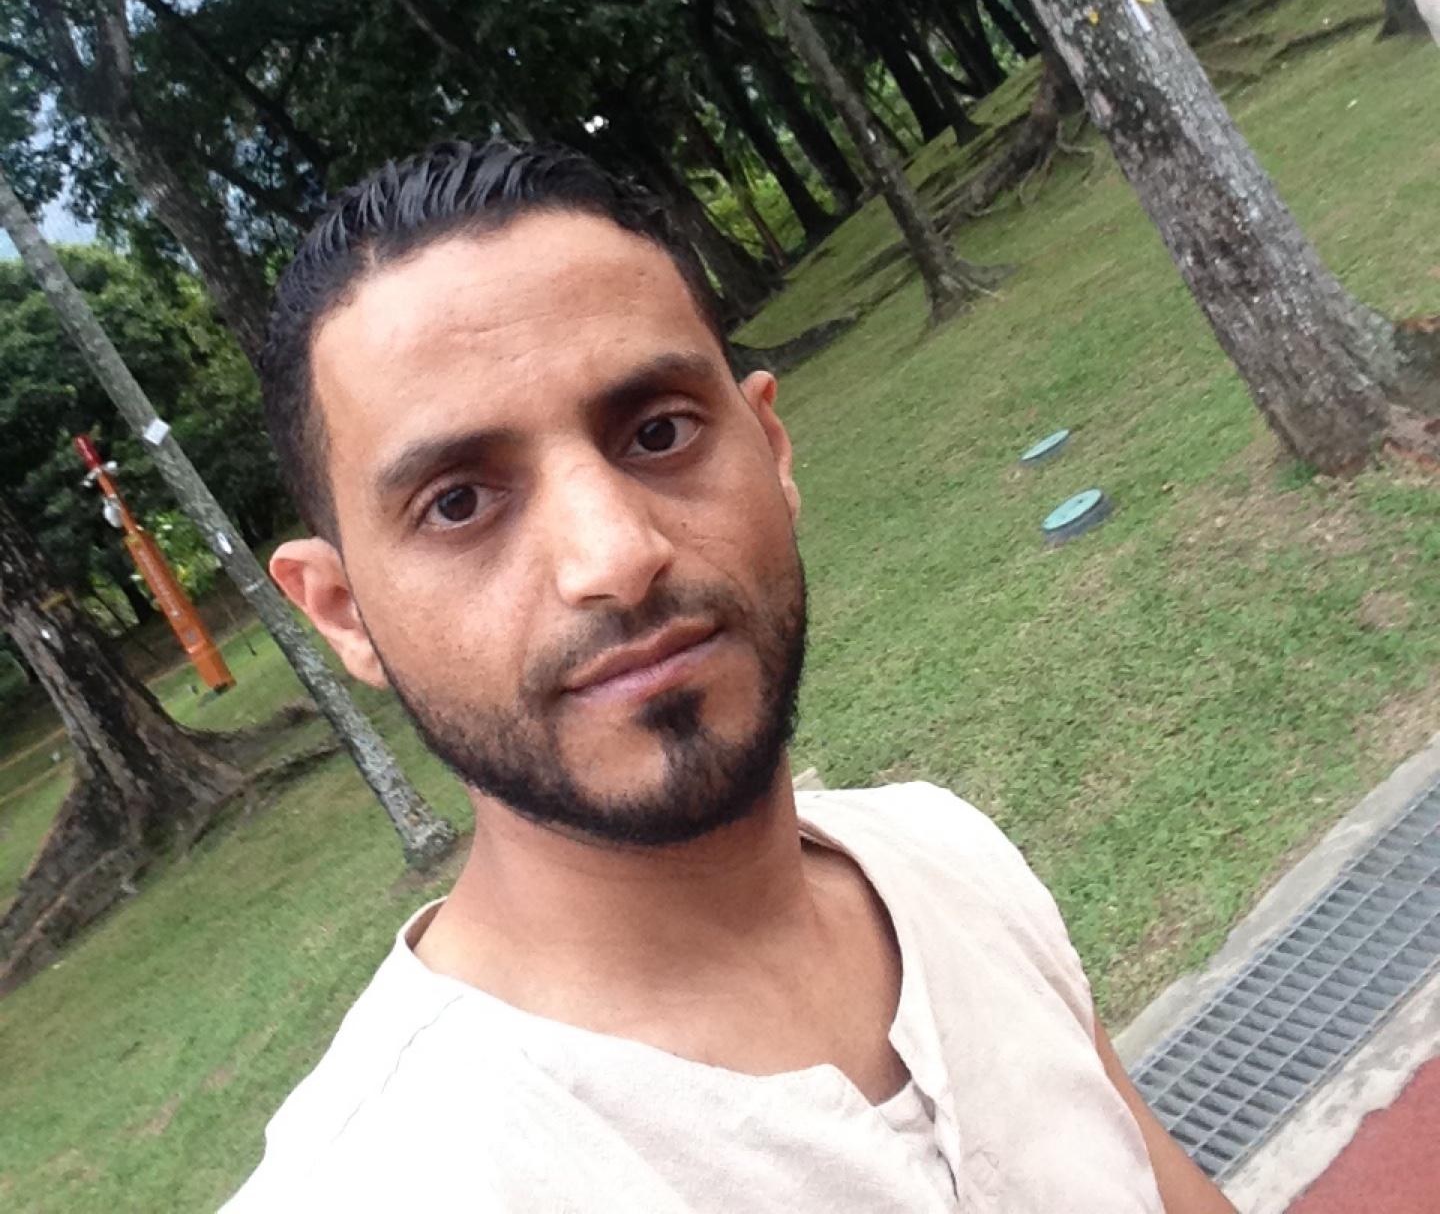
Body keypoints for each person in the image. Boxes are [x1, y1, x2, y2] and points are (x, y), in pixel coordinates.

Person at [227, 138, 1235, 1212]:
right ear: (343, 612)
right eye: (460, 503)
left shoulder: (944, 853)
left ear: (772, 448)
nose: (615, 555)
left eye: (659, 432)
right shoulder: (381, 1184)